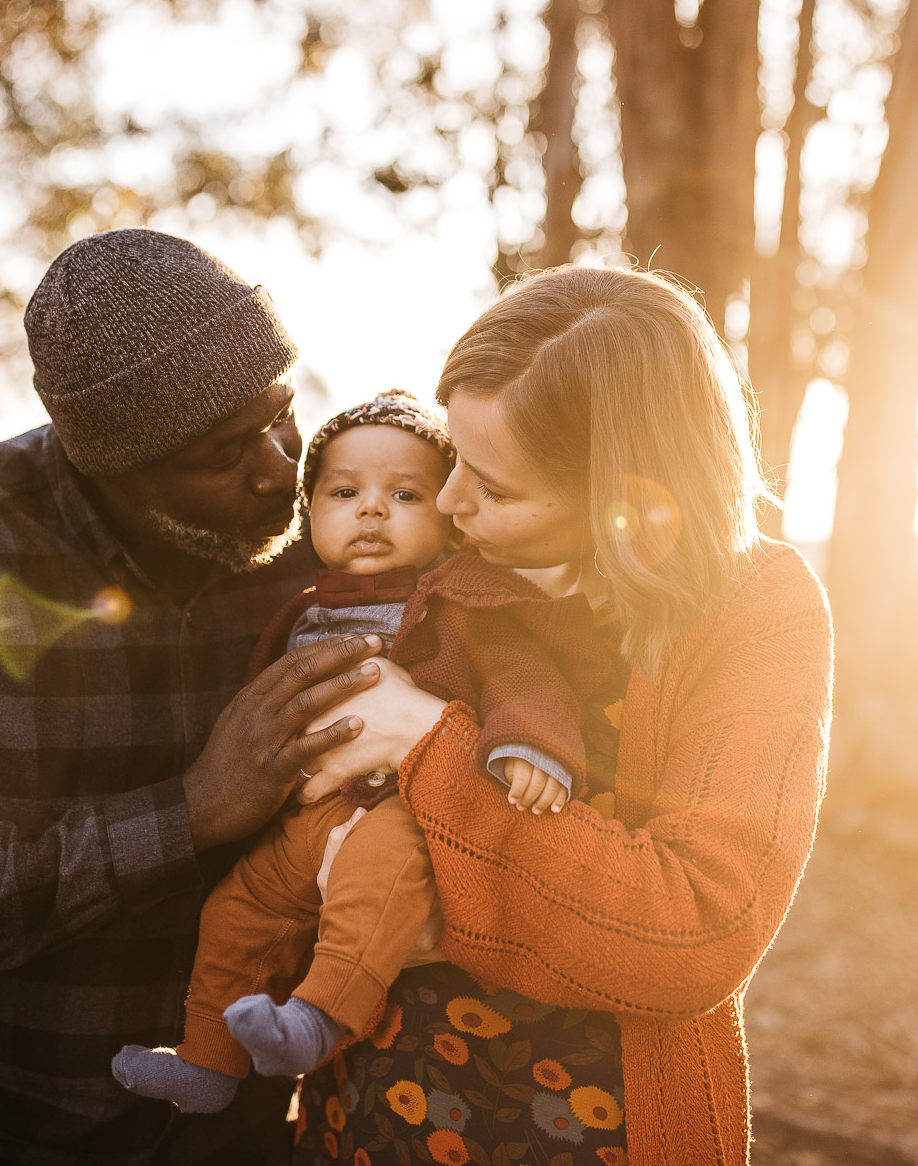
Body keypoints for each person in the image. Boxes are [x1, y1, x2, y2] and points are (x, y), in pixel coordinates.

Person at [0, 229, 389, 1165]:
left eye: (282, 411)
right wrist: (187, 813)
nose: (279, 466)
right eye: (224, 450)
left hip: (239, 1133)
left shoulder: (327, 527)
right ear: (108, 464)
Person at [287, 266, 834, 1165]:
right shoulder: (431, 560)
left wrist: (424, 743)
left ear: (626, 496)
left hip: (589, 1123)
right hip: (371, 1093)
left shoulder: (754, 609)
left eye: (495, 490)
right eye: (454, 460)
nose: (451, 501)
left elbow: (695, 935)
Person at [114, 390, 623, 1115]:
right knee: (236, 912)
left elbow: (525, 674)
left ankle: (317, 1020)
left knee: (370, 894)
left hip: (402, 808)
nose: (372, 510)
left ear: (448, 516)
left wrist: (529, 745)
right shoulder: (302, 605)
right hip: (306, 815)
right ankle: (207, 1060)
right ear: (309, 512)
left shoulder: (463, 599)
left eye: (405, 494)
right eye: (345, 492)